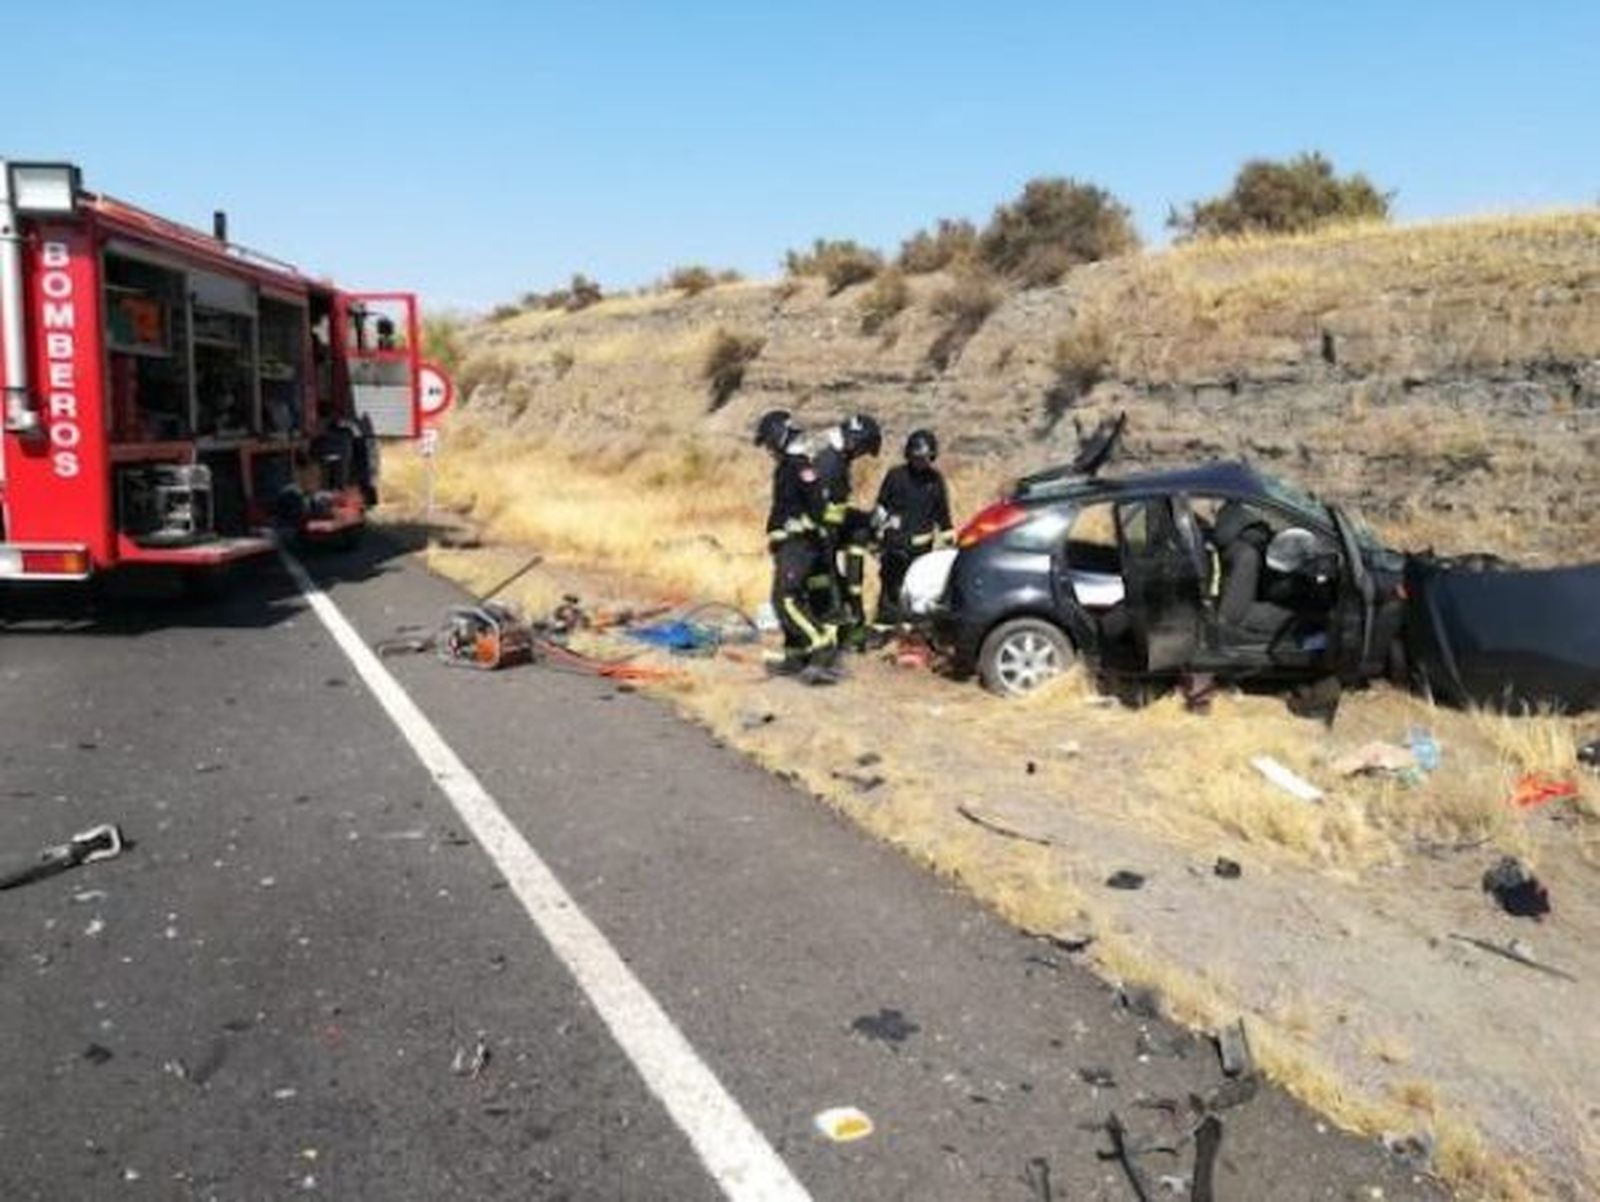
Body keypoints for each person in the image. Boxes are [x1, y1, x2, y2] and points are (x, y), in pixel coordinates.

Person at [754, 409, 841, 682]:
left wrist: (797, 528)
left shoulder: (800, 466)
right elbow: (784, 508)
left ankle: (822, 646)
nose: (768, 449)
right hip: (787, 545)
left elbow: (818, 509)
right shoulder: (787, 466)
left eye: (769, 442)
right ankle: (794, 656)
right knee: (782, 599)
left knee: (787, 600)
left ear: (780, 437)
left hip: (800, 546)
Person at [810, 412, 882, 649]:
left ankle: (850, 626)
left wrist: (861, 520)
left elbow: (837, 510)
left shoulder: (836, 457)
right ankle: (832, 639)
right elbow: (826, 512)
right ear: (855, 442)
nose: (861, 455)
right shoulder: (830, 464)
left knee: (858, 536)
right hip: (820, 537)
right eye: (863, 450)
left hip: (827, 532)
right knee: (829, 588)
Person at [872, 428, 954, 625]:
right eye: (917, 458)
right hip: (894, 546)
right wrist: (875, 535)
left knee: (916, 591)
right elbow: (881, 507)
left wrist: (950, 539)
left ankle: (914, 630)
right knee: (890, 589)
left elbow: (942, 514)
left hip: (920, 551)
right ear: (909, 455)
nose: (921, 462)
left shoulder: (935, 481)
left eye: (926, 458)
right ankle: (885, 627)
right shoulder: (895, 476)